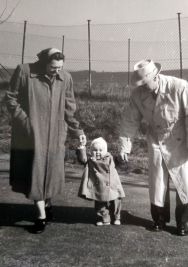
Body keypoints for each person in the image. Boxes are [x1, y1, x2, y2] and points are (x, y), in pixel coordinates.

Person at [5, 48, 86, 234]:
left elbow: (69, 109)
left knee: (51, 172)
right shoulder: (25, 71)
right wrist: (26, 121)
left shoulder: (66, 78)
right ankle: (41, 215)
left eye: (60, 67)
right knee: (37, 172)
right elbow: (10, 99)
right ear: (43, 63)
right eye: (53, 67)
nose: (57, 71)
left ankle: (48, 207)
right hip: (31, 134)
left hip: (56, 132)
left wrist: (77, 131)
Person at [118, 59, 188, 236]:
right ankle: (159, 220)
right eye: (141, 84)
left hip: (180, 138)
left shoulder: (179, 86)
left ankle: (182, 222)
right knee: (157, 182)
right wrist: (125, 146)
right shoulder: (137, 94)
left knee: (183, 182)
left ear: (156, 76)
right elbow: (130, 120)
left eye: (146, 83)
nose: (144, 87)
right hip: (156, 138)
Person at [77, 137, 125, 226]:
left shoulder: (110, 157)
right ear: (91, 151)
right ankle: (104, 218)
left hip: (112, 184)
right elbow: (82, 159)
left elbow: (119, 160)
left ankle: (116, 217)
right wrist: (82, 147)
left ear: (105, 150)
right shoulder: (90, 160)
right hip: (99, 185)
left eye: (100, 150)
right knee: (100, 203)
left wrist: (122, 155)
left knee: (115, 201)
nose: (98, 152)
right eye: (94, 150)